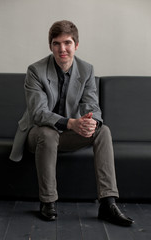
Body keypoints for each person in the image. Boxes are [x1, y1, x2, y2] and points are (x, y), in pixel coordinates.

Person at [10, 20, 133, 226]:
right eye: (56, 43)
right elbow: (39, 113)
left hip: (68, 134)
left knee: (103, 131)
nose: (62, 49)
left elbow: (92, 105)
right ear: (50, 46)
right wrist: (71, 123)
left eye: (67, 43)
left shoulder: (86, 70)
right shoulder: (35, 71)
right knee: (48, 134)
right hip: (37, 134)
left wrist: (90, 123)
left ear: (76, 45)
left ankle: (107, 203)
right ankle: (48, 201)